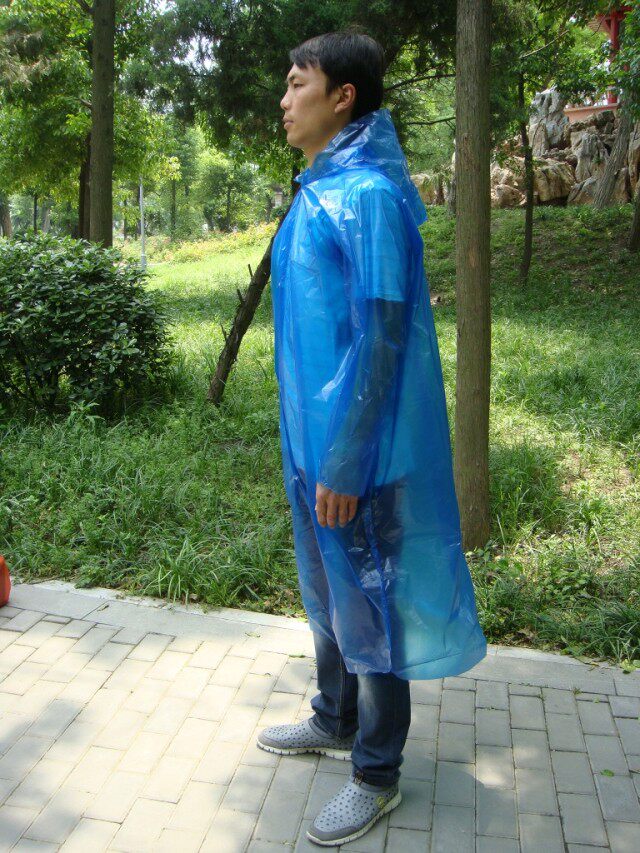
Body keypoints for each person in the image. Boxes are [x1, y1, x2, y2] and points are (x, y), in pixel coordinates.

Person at [258, 27, 488, 847]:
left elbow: (383, 335)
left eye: (298, 84)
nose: (284, 100)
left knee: (372, 599)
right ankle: (334, 714)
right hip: (311, 441)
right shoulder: (318, 190)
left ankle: (376, 771)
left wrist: (349, 455)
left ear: (342, 96)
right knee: (329, 588)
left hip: (358, 452)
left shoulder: (368, 198)